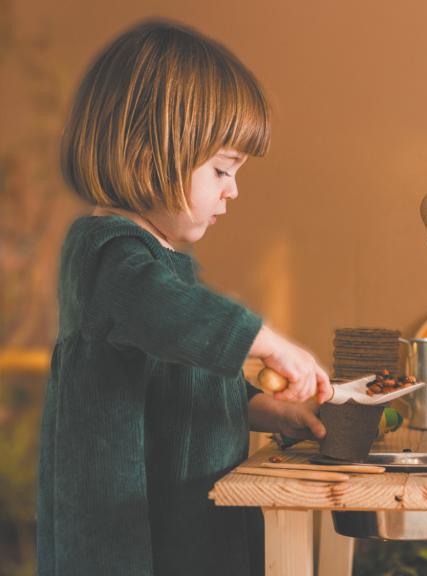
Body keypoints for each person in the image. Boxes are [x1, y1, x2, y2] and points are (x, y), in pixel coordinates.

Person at [38, 20, 332, 575]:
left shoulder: (157, 263)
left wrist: (257, 407)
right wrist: (268, 343)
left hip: (187, 526)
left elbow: (178, 372)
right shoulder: (107, 255)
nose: (234, 189)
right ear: (151, 153)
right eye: (222, 168)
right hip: (132, 542)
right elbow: (169, 315)